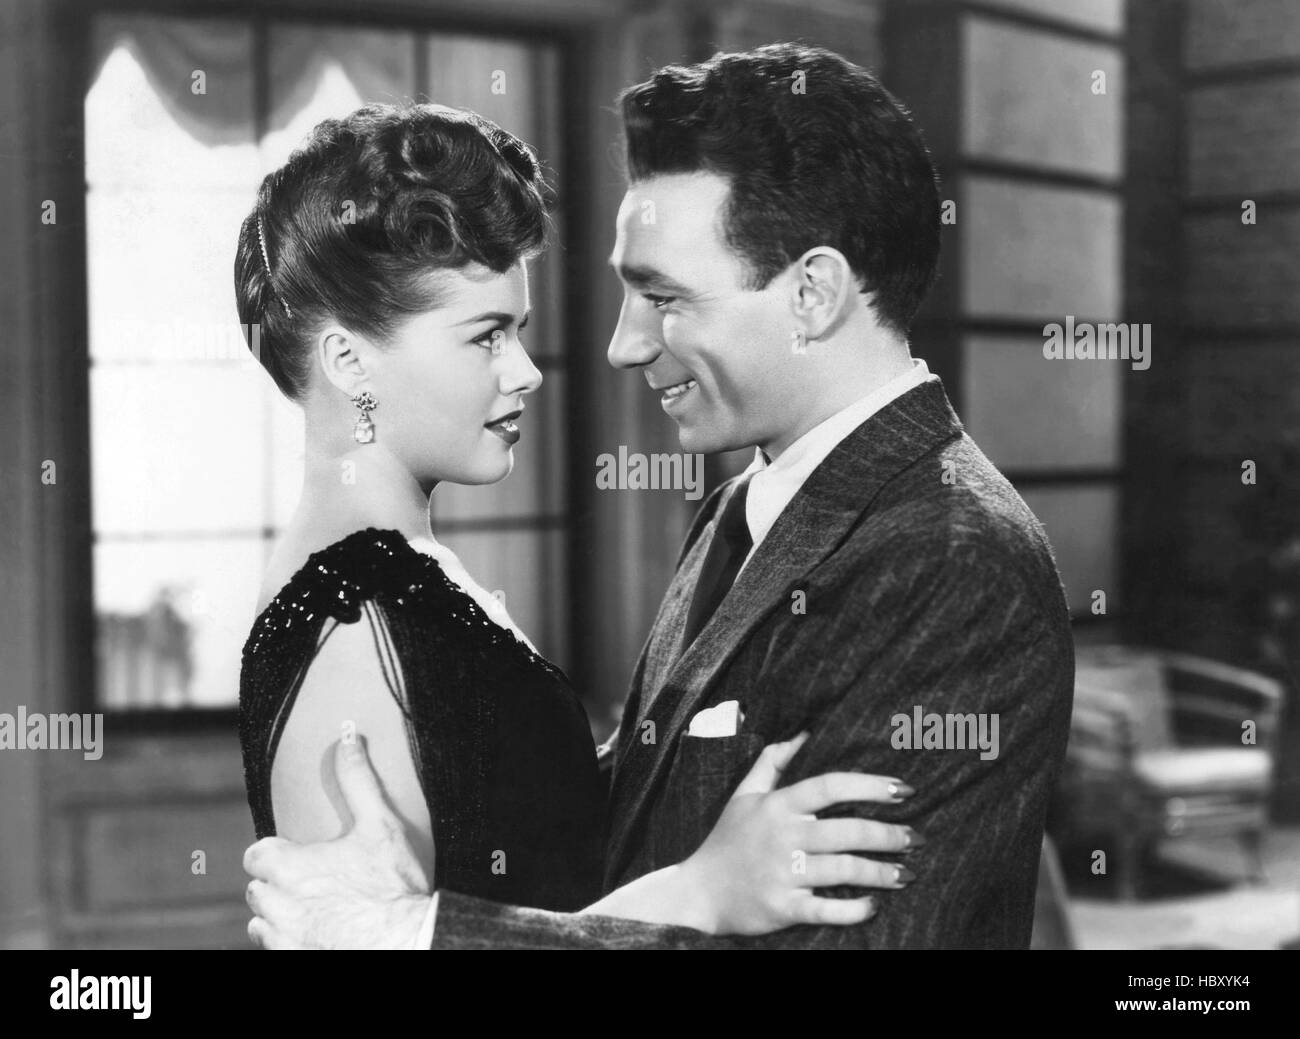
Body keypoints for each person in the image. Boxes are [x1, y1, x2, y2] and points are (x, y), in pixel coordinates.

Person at [244, 43, 1076, 950]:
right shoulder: (736, 514)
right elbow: (609, 826)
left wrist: (414, 936)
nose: (622, 346)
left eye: (662, 295)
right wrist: (700, 887)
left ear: (813, 294)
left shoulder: (950, 559)